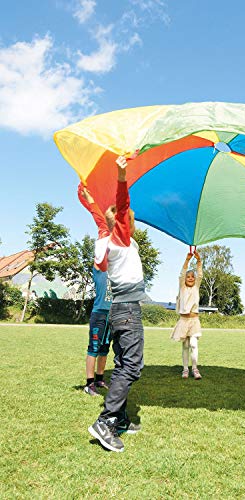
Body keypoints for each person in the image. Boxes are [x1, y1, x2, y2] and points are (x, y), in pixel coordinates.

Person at [81, 155, 146, 453]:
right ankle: (106, 421)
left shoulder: (116, 240)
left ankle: (119, 418)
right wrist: (121, 174)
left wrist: (90, 200)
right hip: (128, 312)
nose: (131, 219)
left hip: (122, 310)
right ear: (124, 222)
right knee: (132, 366)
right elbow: (121, 207)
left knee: (123, 363)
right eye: (128, 217)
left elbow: (102, 217)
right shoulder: (120, 240)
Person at [171, 250, 203, 380]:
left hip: (194, 320)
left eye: (192, 277)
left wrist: (199, 261)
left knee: (194, 344)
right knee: (185, 346)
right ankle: (185, 369)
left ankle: (195, 369)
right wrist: (187, 260)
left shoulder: (196, 288)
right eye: (188, 277)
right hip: (184, 320)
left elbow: (200, 274)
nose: (190, 278)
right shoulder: (182, 288)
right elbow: (181, 274)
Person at [83, 266, 112, 396]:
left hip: (112, 315)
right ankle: (89, 384)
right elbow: (99, 254)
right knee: (94, 347)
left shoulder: (118, 273)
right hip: (99, 314)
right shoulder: (100, 271)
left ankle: (100, 379)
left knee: (105, 348)